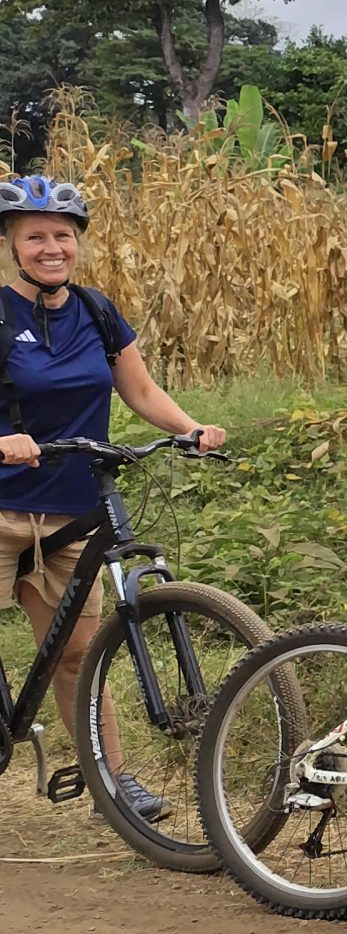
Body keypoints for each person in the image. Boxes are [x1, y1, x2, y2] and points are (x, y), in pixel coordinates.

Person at [0, 175, 227, 820]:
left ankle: (112, 783)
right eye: (35, 237)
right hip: (2, 508)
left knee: (77, 656)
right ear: (12, 245)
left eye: (62, 236)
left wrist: (190, 429)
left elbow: (141, 391)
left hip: (72, 508)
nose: (52, 248)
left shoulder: (97, 312)